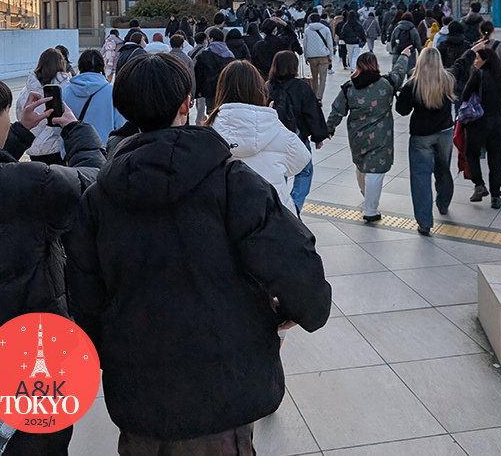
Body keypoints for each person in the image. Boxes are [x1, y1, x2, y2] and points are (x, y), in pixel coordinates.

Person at [65, 53, 331, 455]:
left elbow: (83, 297)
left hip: (140, 394)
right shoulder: (234, 181)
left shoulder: (99, 199)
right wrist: (303, 310)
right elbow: (294, 260)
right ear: (187, 104)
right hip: (224, 389)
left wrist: (113, 350)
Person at [0, 71, 104, 455]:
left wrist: (21, 132)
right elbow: (94, 182)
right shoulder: (30, 185)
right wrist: (76, 130)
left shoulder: (12, 183)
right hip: (26, 357)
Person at [207, 60, 311, 213]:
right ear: (259, 89)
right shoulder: (274, 129)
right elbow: (301, 160)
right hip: (273, 218)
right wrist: (272, 119)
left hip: (225, 219)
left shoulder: (207, 132)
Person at [327, 49, 411, 222]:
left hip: (357, 137)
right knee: (375, 171)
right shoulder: (387, 84)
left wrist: (328, 129)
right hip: (381, 136)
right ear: (376, 65)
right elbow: (399, 72)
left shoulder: (349, 87)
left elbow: (337, 111)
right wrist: (404, 56)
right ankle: (370, 210)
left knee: (361, 165)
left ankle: (367, 196)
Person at [396, 47, 463, 235]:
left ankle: (425, 222)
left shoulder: (413, 84)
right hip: (445, 132)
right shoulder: (448, 79)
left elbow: (402, 110)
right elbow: (461, 65)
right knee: (443, 169)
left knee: (420, 178)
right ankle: (443, 203)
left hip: (421, 136)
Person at [267, 51, 329, 211]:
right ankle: (294, 206)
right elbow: (312, 113)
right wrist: (318, 136)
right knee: (305, 170)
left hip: (273, 136)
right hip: (297, 136)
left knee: (281, 172)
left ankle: (280, 204)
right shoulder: (302, 86)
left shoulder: (267, 87)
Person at [463, 47, 501, 209]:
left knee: (471, 154)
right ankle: (496, 196)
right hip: (498, 124)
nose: (475, 61)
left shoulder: (478, 74)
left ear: (485, 60)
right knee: (496, 159)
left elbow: (465, 95)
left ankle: (479, 185)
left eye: (477, 58)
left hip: (479, 124)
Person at [16, 47, 72, 164]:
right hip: (57, 147)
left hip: (33, 146)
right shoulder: (66, 88)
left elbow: (20, 113)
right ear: (61, 64)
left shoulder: (27, 90)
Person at [63, 49, 121, 144]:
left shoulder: (66, 92)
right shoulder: (112, 91)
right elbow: (120, 123)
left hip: (73, 149)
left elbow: (58, 127)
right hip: (102, 149)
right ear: (102, 66)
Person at [194, 26, 234, 113]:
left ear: (211, 39)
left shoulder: (204, 55)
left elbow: (199, 74)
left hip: (210, 90)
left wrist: (198, 91)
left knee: (211, 113)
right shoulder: (230, 56)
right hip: (226, 90)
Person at [479, 20, 501, 114]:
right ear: (493, 30)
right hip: (497, 86)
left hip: (481, 86)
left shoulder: (476, 46)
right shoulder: (500, 46)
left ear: (480, 31)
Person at [302, 13, 334, 100]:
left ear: (310, 20)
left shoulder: (307, 30)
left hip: (312, 57)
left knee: (314, 77)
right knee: (323, 78)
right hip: (323, 56)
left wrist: (306, 57)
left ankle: (314, 95)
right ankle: (319, 97)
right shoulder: (326, 29)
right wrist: (330, 57)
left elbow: (305, 45)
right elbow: (330, 44)